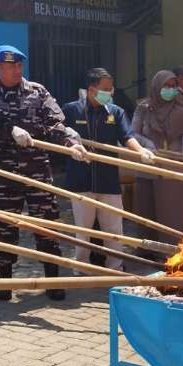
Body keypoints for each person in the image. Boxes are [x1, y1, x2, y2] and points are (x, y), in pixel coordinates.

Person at [0, 45, 90, 301]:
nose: (15, 70)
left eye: (19, 65)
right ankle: (4, 281)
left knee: (46, 225)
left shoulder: (37, 91)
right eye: (10, 66)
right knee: (6, 226)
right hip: (6, 174)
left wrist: (72, 144)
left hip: (38, 171)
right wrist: (9, 130)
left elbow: (54, 122)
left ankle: (52, 280)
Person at [61, 68, 154, 272]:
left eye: (111, 89)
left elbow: (127, 136)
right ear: (92, 89)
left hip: (108, 180)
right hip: (80, 179)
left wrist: (141, 151)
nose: (110, 93)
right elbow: (59, 133)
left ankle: (116, 267)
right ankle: (81, 268)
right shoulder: (71, 110)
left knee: (113, 228)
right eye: (105, 89)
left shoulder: (115, 112)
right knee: (82, 229)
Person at [131, 70, 183, 243]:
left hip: (176, 163)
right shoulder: (144, 108)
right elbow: (132, 134)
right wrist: (148, 145)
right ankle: (151, 248)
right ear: (156, 87)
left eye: (173, 86)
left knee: (177, 207)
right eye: (166, 86)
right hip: (149, 162)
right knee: (148, 207)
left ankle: (178, 245)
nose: (170, 89)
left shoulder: (182, 107)